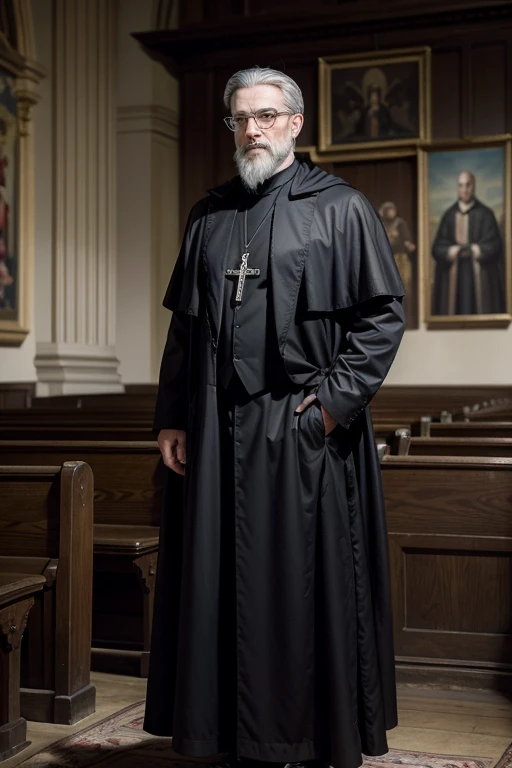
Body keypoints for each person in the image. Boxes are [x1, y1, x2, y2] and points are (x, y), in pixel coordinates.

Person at [144, 67, 405, 768]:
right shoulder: (210, 216)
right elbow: (183, 333)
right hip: (216, 434)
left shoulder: (342, 209)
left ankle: (305, 737)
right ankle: (224, 735)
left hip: (301, 435)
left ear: (294, 124)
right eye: (238, 119)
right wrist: (173, 417)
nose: (250, 130)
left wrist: (328, 408)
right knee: (218, 588)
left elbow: (382, 320)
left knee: (297, 594)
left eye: (264, 117)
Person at [432, 170, 505, 315]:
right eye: (461, 185)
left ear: (473, 187)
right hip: (454, 275)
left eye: (468, 185)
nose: (464, 190)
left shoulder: (486, 214)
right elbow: (437, 248)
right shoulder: (449, 215)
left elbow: (496, 245)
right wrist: (449, 251)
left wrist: (480, 249)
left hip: (479, 275)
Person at [379, 201, 416, 325]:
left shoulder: (400, 223)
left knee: (405, 287)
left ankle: (407, 316)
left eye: (393, 210)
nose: (392, 212)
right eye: (390, 210)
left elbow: (406, 239)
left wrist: (408, 244)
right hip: (387, 260)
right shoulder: (381, 225)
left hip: (401, 259)